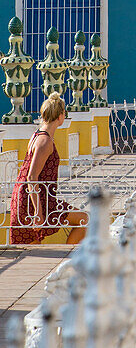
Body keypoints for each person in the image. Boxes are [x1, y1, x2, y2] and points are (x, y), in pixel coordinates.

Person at [10, 93, 88, 245]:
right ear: (60, 115)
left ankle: (66, 259)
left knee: (32, 250)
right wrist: (38, 212)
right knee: (84, 220)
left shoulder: (38, 136)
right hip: (33, 201)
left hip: (37, 198)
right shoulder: (44, 141)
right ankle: (67, 258)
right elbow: (32, 176)